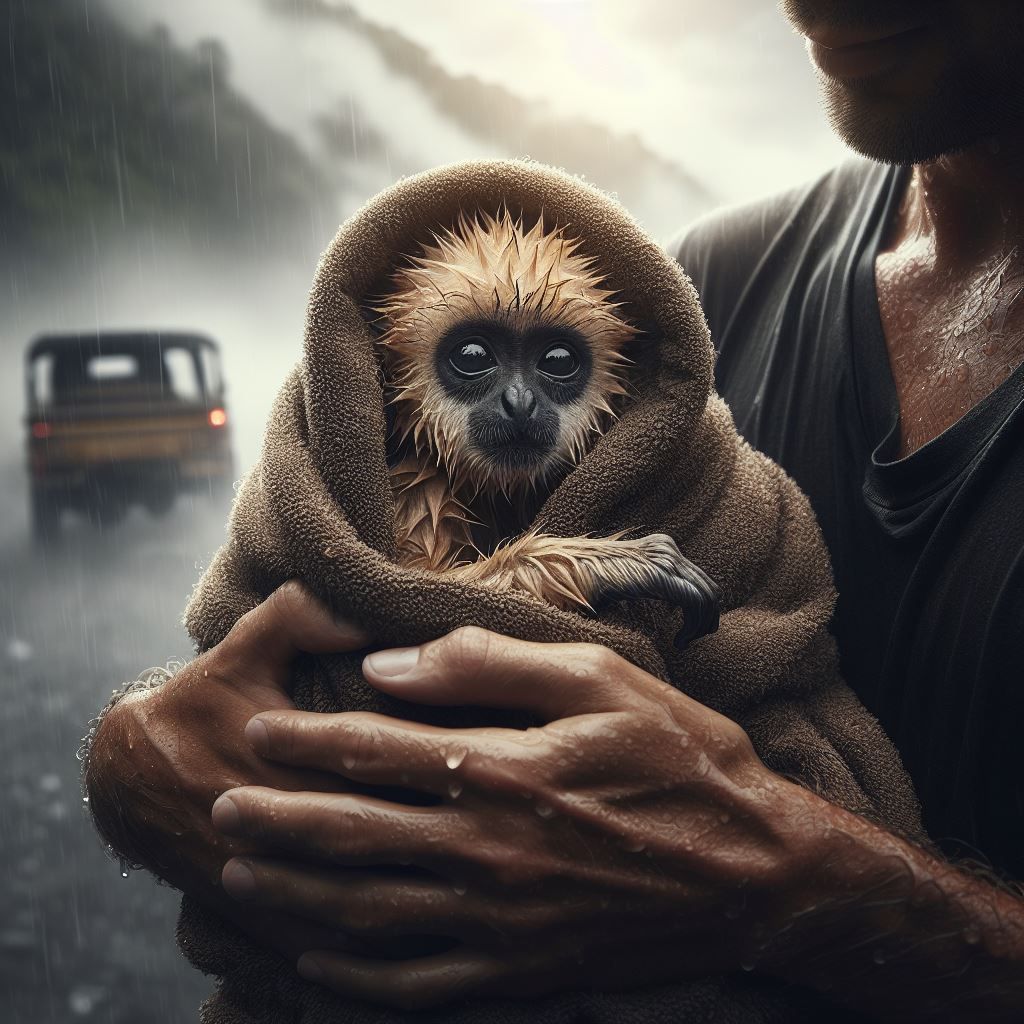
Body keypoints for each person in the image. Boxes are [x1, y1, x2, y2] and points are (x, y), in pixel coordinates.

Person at [84, 0, 1024, 1018]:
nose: (522, 404)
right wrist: (135, 755)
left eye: (554, 368)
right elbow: (316, 620)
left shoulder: (669, 356)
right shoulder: (709, 290)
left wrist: (799, 887)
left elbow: (769, 680)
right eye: (474, 361)